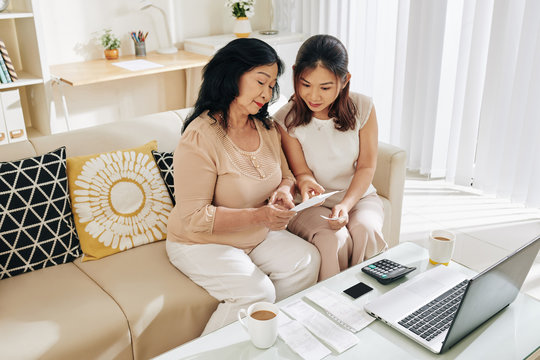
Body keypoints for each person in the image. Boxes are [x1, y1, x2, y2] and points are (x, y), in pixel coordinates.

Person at [166, 38, 320, 335]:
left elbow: (286, 175)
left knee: (306, 260)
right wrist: (261, 216)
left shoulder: (266, 126)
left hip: (254, 235)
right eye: (260, 81)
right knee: (257, 292)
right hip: (200, 242)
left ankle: (269, 340)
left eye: (271, 84)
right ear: (231, 75)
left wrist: (283, 192)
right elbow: (195, 217)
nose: (266, 93)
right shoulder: (200, 137)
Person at [273, 34, 387, 281]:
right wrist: (305, 184)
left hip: (358, 196)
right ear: (295, 75)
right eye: (305, 84)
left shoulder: (363, 107)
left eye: (325, 87)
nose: (314, 96)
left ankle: (363, 296)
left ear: (345, 80)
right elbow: (301, 172)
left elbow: (366, 166)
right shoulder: (285, 119)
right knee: (335, 238)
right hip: (310, 204)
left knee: (366, 228)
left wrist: (345, 205)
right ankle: (333, 306)